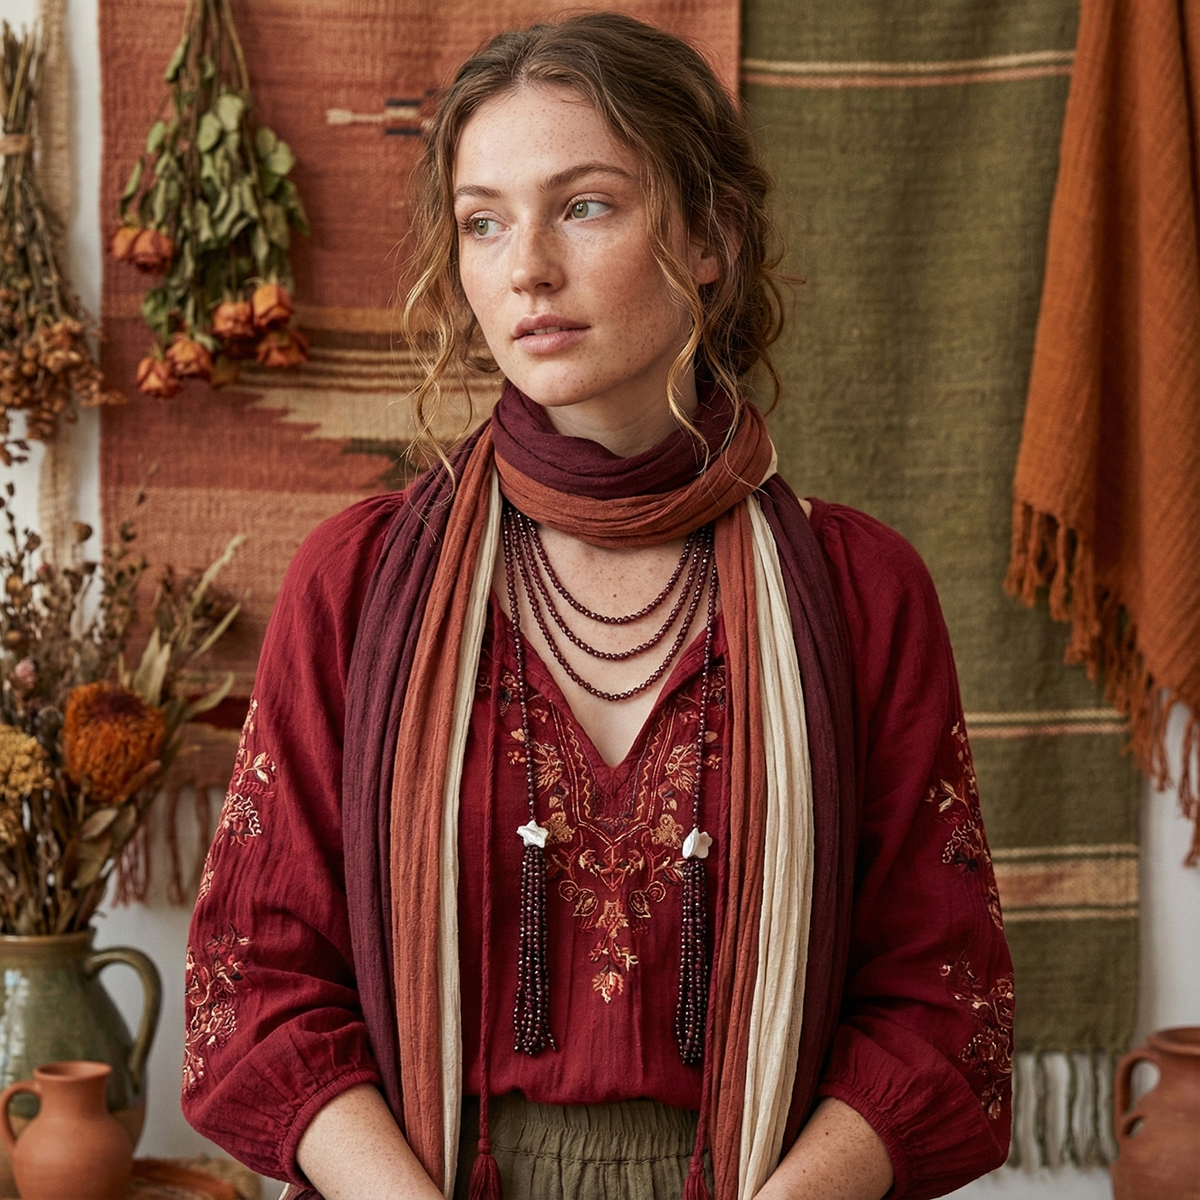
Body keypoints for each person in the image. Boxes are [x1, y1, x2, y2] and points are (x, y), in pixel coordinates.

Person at [182, 14, 1014, 1200]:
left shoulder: (860, 592)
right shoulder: (357, 584)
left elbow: (942, 1002)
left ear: (713, 234)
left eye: (584, 205)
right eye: (484, 221)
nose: (525, 266)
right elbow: (253, 985)